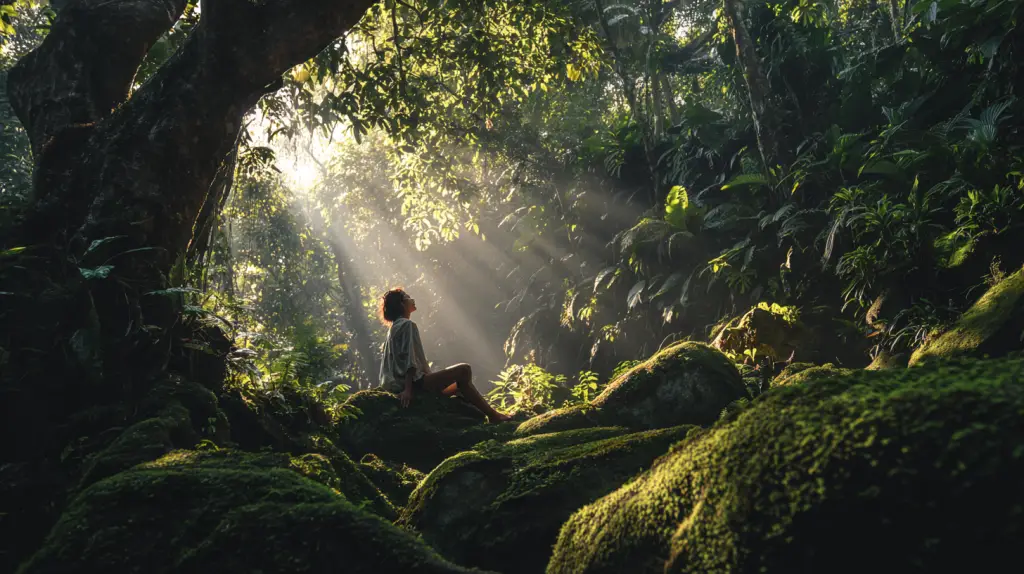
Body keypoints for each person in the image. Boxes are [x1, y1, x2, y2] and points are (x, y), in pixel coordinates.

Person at [378, 287, 512, 422]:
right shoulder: (407, 324)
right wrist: (408, 390)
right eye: (407, 297)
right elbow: (409, 359)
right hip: (415, 384)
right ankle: (493, 416)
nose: (412, 299)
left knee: (460, 385)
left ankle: (490, 415)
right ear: (402, 304)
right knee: (464, 370)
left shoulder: (393, 329)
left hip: (399, 385)